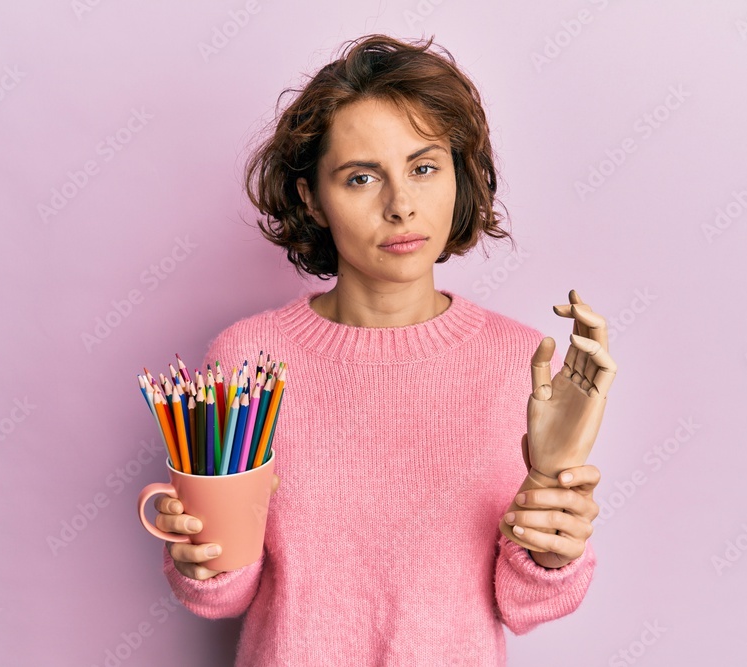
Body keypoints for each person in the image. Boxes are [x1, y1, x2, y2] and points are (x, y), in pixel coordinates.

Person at [152, 33, 617, 666]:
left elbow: (526, 605)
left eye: (424, 167)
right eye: (361, 177)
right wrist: (198, 556)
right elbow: (222, 597)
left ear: (459, 176)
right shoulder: (246, 359)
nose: (401, 205)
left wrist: (554, 537)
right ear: (312, 197)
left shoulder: (521, 365)